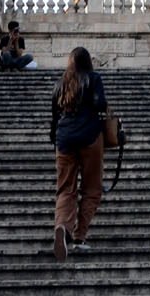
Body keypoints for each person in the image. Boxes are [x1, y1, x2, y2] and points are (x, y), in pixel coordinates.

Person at [50, 47, 110, 259]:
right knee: (92, 188)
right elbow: (100, 104)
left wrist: (55, 139)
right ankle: (79, 236)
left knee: (66, 188)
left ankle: (61, 225)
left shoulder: (61, 83)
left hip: (64, 139)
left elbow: (54, 116)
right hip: (89, 136)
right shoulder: (93, 78)